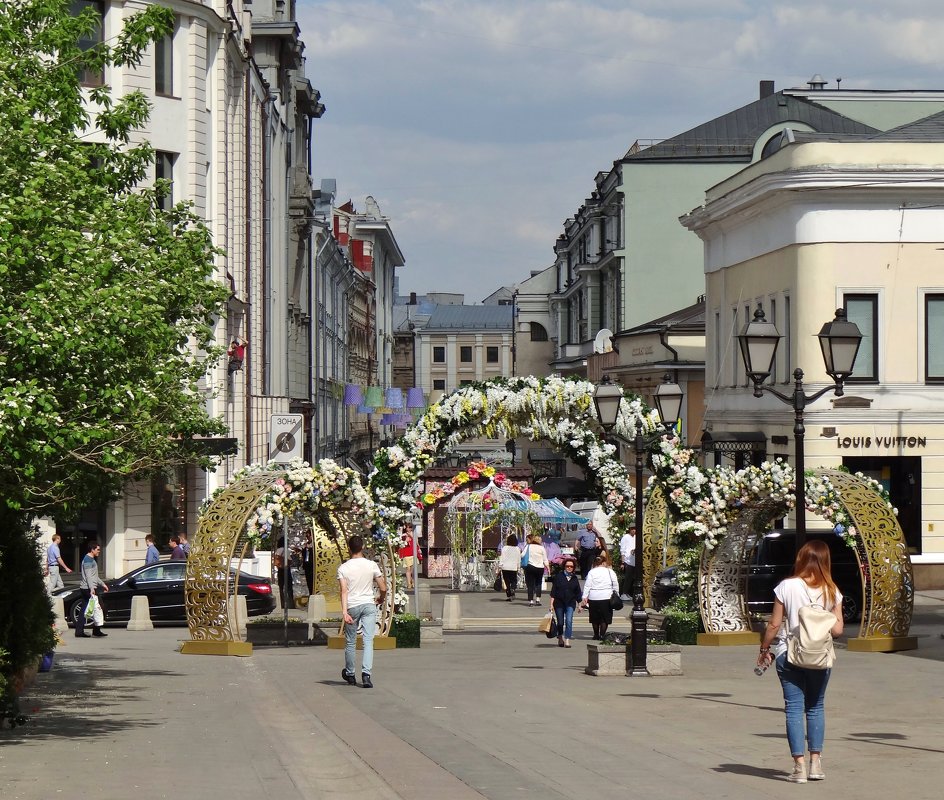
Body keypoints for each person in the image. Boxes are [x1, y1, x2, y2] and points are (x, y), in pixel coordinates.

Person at [757, 539, 844, 783]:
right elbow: (838, 630)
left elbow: (774, 624)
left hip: (789, 653)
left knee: (794, 708)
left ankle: (799, 768)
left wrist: (764, 648)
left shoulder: (786, 586)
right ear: (826, 561)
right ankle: (816, 763)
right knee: (815, 707)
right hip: (819, 656)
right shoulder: (832, 590)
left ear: (801, 558)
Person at [338, 535, 387, 688]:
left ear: (349, 548)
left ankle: (350, 674)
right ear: (363, 547)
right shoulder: (371, 565)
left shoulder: (343, 568)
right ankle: (366, 675)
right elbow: (383, 587)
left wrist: (344, 612)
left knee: (351, 642)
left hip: (352, 605)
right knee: (368, 640)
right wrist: (380, 598)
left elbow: (344, 591)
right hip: (368, 604)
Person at [580, 554, 620, 641]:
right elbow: (615, 583)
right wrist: (616, 594)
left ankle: (595, 635)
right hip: (606, 596)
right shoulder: (610, 571)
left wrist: (584, 596)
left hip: (594, 597)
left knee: (594, 618)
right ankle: (602, 635)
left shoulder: (592, 572)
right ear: (604, 562)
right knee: (605, 618)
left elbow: (587, 585)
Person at [75, 541, 109, 638]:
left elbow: (94, 576)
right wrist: (91, 588)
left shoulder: (90, 559)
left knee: (86, 609)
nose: (99, 551)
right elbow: (89, 576)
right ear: (92, 550)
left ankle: (81, 631)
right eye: (97, 550)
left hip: (88, 587)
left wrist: (102, 584)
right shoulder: (88, 560)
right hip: (88, 588)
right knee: (100, 607)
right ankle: (94, 630)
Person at [549, 556, 581, 647]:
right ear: (564, 567)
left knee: (569, 621)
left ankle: (567, 639)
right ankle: (560, 637)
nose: (569, 568)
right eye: (567, 566)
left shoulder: (575, 578)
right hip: (559, 603)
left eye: (571, 566)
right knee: (560, 622)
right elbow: (553, 592)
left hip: (570, 602)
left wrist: (580, 604)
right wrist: (551, 605)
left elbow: (578, 593)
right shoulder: (559, 577)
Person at [522, 533, 549, 607]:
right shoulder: (542, 548)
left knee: (530, 584)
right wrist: (548, 568)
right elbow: (545, 559)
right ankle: (538, 600)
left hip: (530, 567)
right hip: (540, 568)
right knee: (538, 583)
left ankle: (531, 601)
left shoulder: (528, 546)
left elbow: (522, 555)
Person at [498, 533, 521, 601]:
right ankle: (513, 588)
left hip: (505, 567)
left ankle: (509, 595)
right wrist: (518, 567)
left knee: (507, 581)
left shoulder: (504, 548)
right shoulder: (517, 549)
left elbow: (502, 558)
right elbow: (518, 559)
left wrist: (500, 566)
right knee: (513, 580)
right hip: (513, 567)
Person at [274, 536, 294, 609]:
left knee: (280, 586)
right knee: (289, 587)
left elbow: (276, 561)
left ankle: (281, 603)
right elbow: (290, 561)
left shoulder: (278, 550)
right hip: (286, 569)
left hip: (280, 570)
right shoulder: (286, 550)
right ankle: (290, 604)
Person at [618, 527, 636, 600]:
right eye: (632, 529)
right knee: (627, 578)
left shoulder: (635, 537)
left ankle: (629, 593)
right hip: (628, 561)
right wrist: (622, 562)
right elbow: (622, 550)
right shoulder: (625, 537)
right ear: (629, 530)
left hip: (634, 560)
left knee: (632, 578)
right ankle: (624, 593)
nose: (634, 531)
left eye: (635, 529)